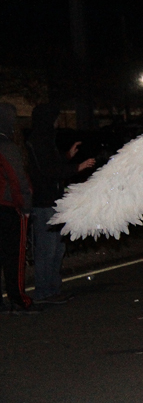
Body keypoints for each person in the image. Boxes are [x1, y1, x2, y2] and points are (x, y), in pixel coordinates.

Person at [26, 103, 96, 303]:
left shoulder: (45, 139)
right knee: (47, 249)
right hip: (45, 202)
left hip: (53, 201)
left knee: (56, 249)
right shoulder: (39, 140)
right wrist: (77, 167)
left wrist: (67, 156)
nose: (57, 121)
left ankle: (52, 289)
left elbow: (52, 164)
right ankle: (44, 291)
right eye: (55, 117)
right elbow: (48, 170)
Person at [0, 102, 38, 314]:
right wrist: (25, 205)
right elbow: (17, 179)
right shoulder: (7, 146)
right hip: (7, 207)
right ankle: (19, 300)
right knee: (14, 257)